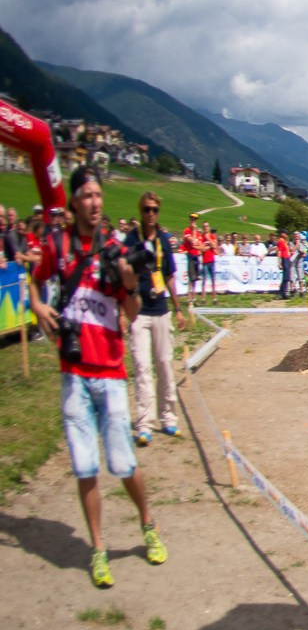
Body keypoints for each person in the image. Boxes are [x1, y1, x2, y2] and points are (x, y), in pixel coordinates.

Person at [27, 168, 166, 588]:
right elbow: (34, 282)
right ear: (73, 202)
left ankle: (148, 523)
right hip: (73, 372)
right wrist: (37, 307)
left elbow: (130, 313)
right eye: (86, 195)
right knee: (85, 466)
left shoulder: (115, 249)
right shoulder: (58, 245)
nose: (94, 202)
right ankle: (99, 549)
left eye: (98, 195)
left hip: (109, 372)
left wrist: (129, 285)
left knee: (123, 463)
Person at [123, 192, 187, 446]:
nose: (150, 214)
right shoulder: (131, 240)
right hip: (138, 311)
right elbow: (123, 274)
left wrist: (178, 307)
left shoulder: (162, 239)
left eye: (154, 210)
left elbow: (170, 275)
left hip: (161, 310)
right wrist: (121, 311)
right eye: (146, 209)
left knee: (164, 364)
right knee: (141, 367)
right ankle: (144, 423)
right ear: (141, 211)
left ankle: (169, 418)